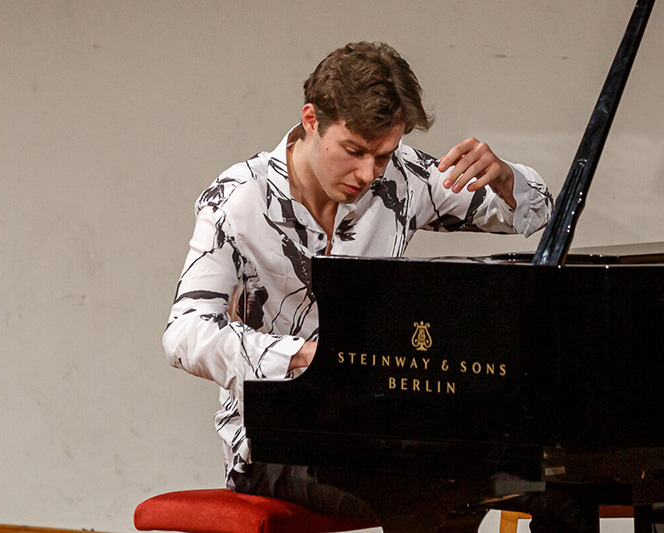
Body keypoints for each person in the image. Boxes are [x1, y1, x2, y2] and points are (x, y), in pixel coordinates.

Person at [162, 41, 558, 529]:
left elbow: (536, 213)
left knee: (556, 486)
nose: (368, 174)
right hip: (277, 445)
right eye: (354, 151)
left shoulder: (404, 178)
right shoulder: (237, 199)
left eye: (383, 155)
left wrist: (506, 178)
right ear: (311, 119)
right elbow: (185, 333)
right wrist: (304, 357)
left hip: (384, 432)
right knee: (432, 488)